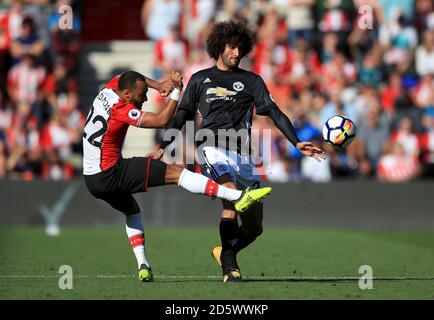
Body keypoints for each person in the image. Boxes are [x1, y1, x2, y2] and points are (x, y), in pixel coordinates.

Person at [149, 21, 325, 282]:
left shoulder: (252, 81)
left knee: (254, 227)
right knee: (230, 196)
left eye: (240, 49)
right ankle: (230, 268)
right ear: (219, 46)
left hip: (243, 154)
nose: (236, 53)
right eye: (232, 47)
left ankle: (225, 251)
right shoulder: (200, 79)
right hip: (211, 147)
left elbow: (274, 112)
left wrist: (295, 141)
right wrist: (163, 147)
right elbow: (181, 116)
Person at [82, 70, 272, 282]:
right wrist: (175, 92)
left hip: (91, 178)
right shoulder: (122, 109)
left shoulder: (108, 89)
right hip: (111, 172)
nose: (144, 98)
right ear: (126, 94)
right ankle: (236, 196)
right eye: (141, 94)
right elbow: (163, 120)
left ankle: (143, 265)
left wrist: (158, 85)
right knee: (175, 172)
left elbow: (132, 76)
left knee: (132, 211)